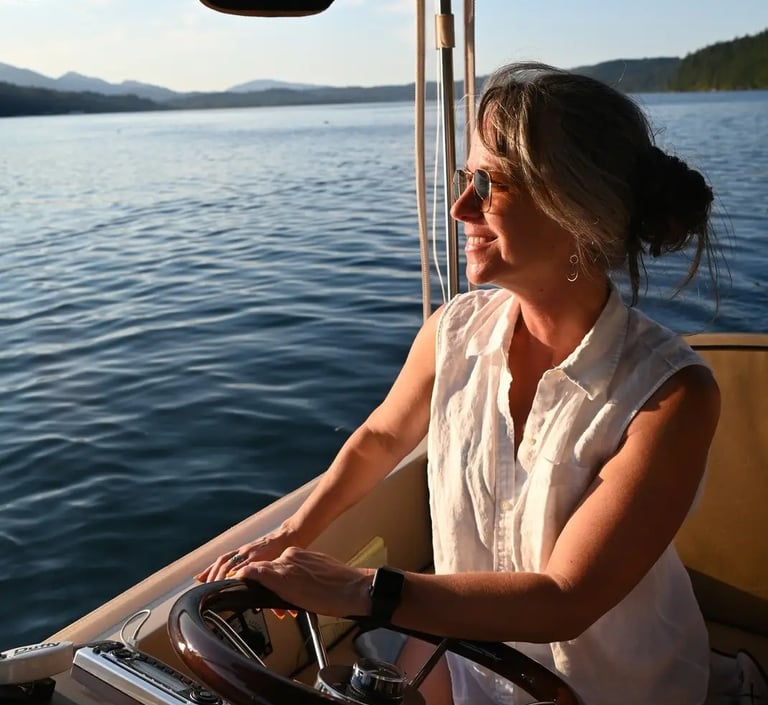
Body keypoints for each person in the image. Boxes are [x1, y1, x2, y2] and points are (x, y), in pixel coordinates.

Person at [196, 62, 724, 705]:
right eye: (463, 178)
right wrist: (293, 532)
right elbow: (381, 437)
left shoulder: (669, 395)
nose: (459, 207)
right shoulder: (453, 333)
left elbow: (566, 599)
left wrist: (356, 588)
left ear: (576, 208)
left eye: (488, 183)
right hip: (468, 671)